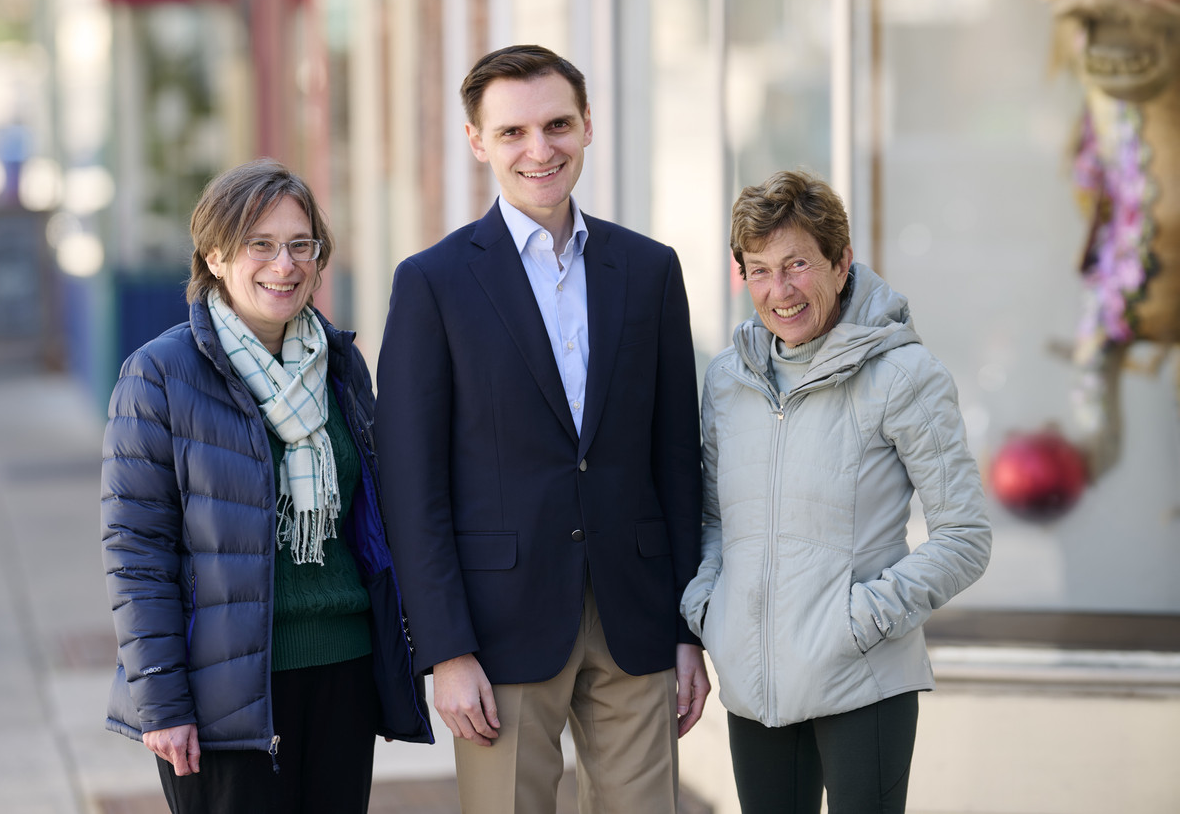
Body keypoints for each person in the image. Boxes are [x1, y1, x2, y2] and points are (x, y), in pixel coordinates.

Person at [374, 44, 708, 814]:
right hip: (498, 630)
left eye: (557, 124)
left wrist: (691, 626)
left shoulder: (650, 270)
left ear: (588, 126)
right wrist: (446, 648)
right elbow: (411, 482)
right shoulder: (434, 283)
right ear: (476, 141)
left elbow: (675, 460)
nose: (539, 149)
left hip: (638, 616)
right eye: (514, 131)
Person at [100, 158, 432, 814]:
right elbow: (136, 551)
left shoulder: (340, 364)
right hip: (224, 687)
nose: (284, 264)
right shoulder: (160, 375)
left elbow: (374, 521)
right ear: (216, 255)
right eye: (261, 244)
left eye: (300, 245)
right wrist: (162, 698)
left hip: (343, 670)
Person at [680, 169, 991, 814]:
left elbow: (965, 537)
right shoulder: (726, 381)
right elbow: (711, 519)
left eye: (798, 265)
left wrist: (861, 621)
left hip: (861, 677)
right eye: (760, 270)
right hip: (754, 682)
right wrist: (713, 605)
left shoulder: (905, 375)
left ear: (841, 262)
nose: (780, 291)